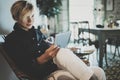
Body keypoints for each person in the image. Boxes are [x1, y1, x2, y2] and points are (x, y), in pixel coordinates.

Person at [3, 0, 106, 80]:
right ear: (16, 17)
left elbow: (48, 46)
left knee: (99, 71)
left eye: (33, 16)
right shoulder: (12, 40)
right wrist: (45, 57)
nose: (30, 20)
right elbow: (27, 68)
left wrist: (73, 59)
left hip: (56, 65)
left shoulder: (36, 32)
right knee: (63, 54)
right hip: (43, 74)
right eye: (26, 17)